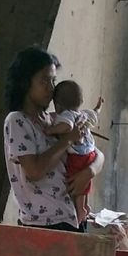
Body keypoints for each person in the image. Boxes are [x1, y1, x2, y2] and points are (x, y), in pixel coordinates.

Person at [2, 46, 104, 232]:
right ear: (25, 83)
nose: (51, 88)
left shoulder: (54, 120)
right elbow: (34, 171)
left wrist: (89, 171)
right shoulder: (17, 121)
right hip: (43, 223)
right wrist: (67, 141)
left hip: (70, 216)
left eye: (53, 80)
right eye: (44, 81)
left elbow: (97, 154)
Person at [45, 80, 103, 225]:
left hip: (78, 154)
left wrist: (51, 130)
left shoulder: (66, 115)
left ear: (57, 105)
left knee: (76, 182)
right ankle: (85, 206)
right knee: (85, 180)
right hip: (90, 152)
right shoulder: (85, 114)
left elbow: (66, 126)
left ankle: (81, 208)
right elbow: (95, 113)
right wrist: (98, 106)